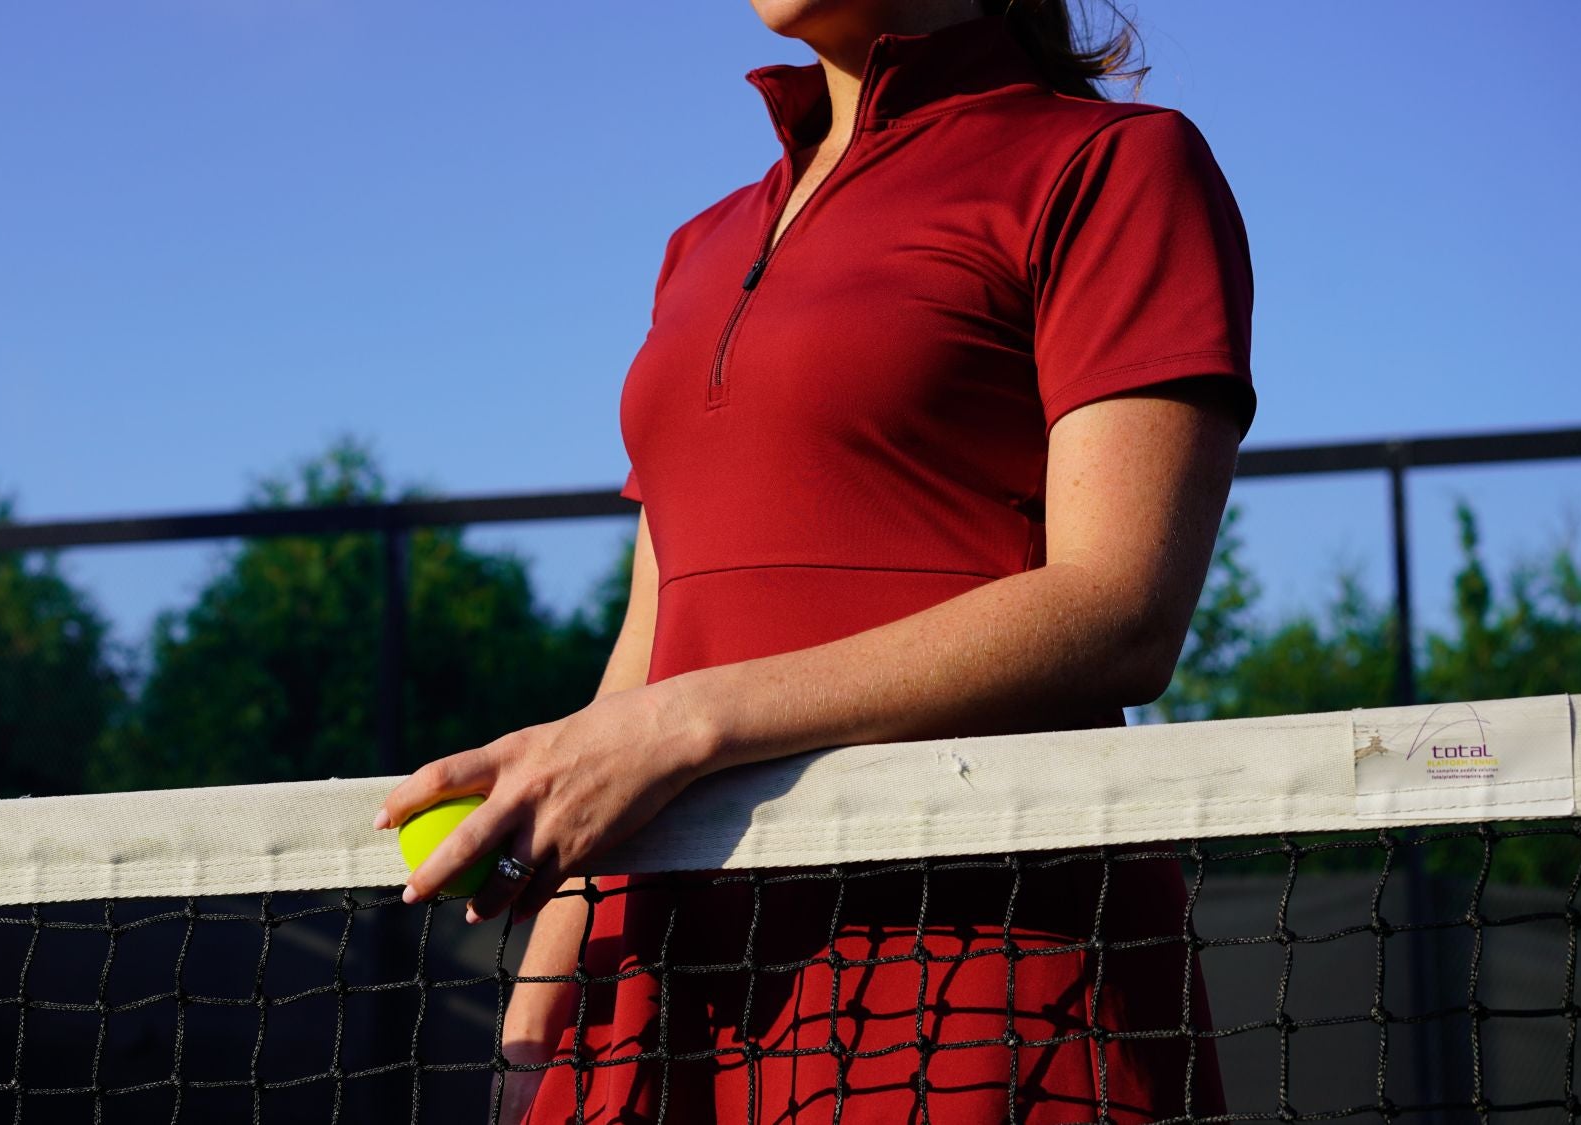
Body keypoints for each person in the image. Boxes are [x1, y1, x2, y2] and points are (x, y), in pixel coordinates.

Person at [375, 0, 1253, 1120]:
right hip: (670, 979)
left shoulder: (1114, 163)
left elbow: (1120, 606)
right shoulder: (697, 246)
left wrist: (685, 727)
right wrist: (551, 971)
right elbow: (646, 647)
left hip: (976, 966)